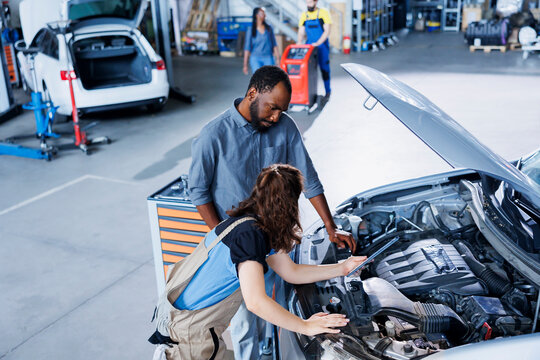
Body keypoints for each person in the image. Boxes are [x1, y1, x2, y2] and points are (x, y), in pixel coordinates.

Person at [189, 65, 355, 359]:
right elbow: (199, 192)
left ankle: (271, 349)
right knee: (246, 320)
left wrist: (331, 229)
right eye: (272, 108)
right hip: (239, 246)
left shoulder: (285, 126)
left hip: (271, 237)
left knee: (278, 305)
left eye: (282, 110)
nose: (277, 117)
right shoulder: (213, 136)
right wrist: (224, 240)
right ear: (252, 94)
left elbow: (310, 179)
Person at [168, 164, 366, 359]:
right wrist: (305, 326)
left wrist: (342, 268)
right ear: (291, 203)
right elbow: (255, 302)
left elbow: (291, 272)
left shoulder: (256, 223)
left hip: (194, 324)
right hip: (190, 331)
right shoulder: (249, 236)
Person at [297, 0, 332, 97]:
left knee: (325, 70)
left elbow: (327, 31)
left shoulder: (323, 13)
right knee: (309, 71)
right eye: (307, 3)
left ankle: (328, 91)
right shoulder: (304, 15)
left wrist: (318, 43)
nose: (308, 5)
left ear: (316, 2)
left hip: (322, 47)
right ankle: (310, 94)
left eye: (310, 3)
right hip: (309, 48)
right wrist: (299, 43)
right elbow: (301, 32)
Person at [243, 7, 280, 75]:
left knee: (269, 79)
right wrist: (245, 65)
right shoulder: (250, 30)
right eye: (262, 13)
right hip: (255, 59)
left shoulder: (269, 29)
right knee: (259, 79)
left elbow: (274, 44)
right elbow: (247, 48)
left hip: (268, 58)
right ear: (257, 15)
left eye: (264, 13)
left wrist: (278, 59)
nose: (264, 15)